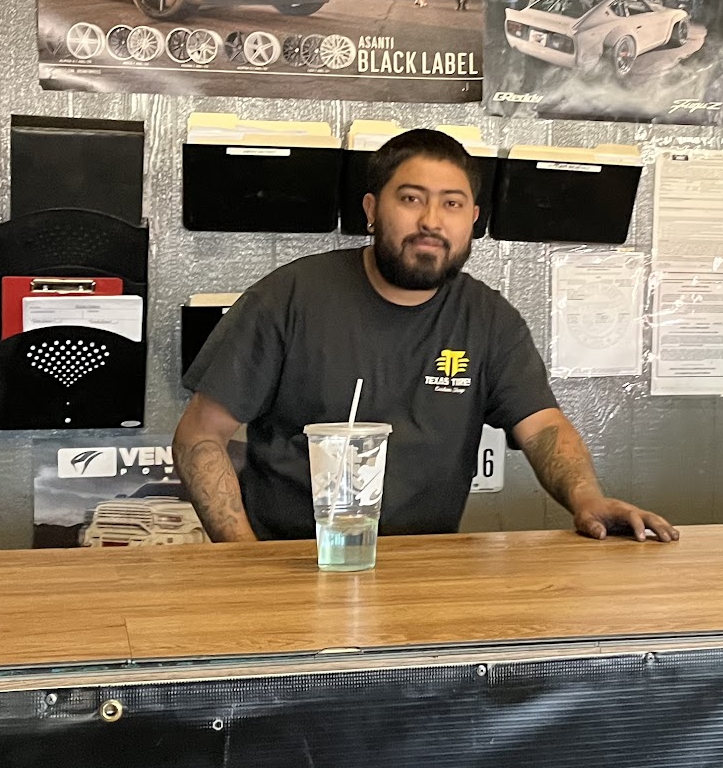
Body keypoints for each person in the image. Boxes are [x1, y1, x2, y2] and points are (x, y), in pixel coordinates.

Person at [175, 128, 676, 544]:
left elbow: (543, 428)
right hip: (289, 562)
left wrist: (587, 497)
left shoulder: (489, 320)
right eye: (411, 198)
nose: (431, 221)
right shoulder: (289, 297)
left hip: (427, 570)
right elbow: (200, 434)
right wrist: (243, 558)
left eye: (451, 204)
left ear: (472, 219)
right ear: (372, 208)